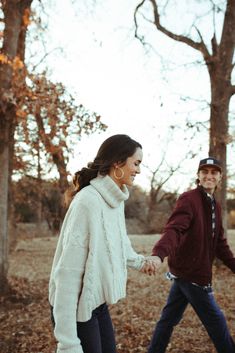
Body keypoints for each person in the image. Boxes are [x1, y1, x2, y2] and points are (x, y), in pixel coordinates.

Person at [49, 134, 157, 353]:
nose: (138, 170)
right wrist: (68, 343)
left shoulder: (115, 200)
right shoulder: (87, 201)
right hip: (75, 309)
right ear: (118, 163)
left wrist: (139, 262)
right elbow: (66, 276)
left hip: (96, 304)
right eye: (136, 163)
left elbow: (118, 242)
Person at [148, 157, 235, 353]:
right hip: (193, 275)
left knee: (168, 319)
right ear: (198, 175)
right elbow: (174, 230)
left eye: (214, 172)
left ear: (220, 176)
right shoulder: (189, 199)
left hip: (184, 273)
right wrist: (158, 254)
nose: (209, 176)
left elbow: (220, 243)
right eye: (205, 172)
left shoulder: (216, 205)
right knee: (217, 323)